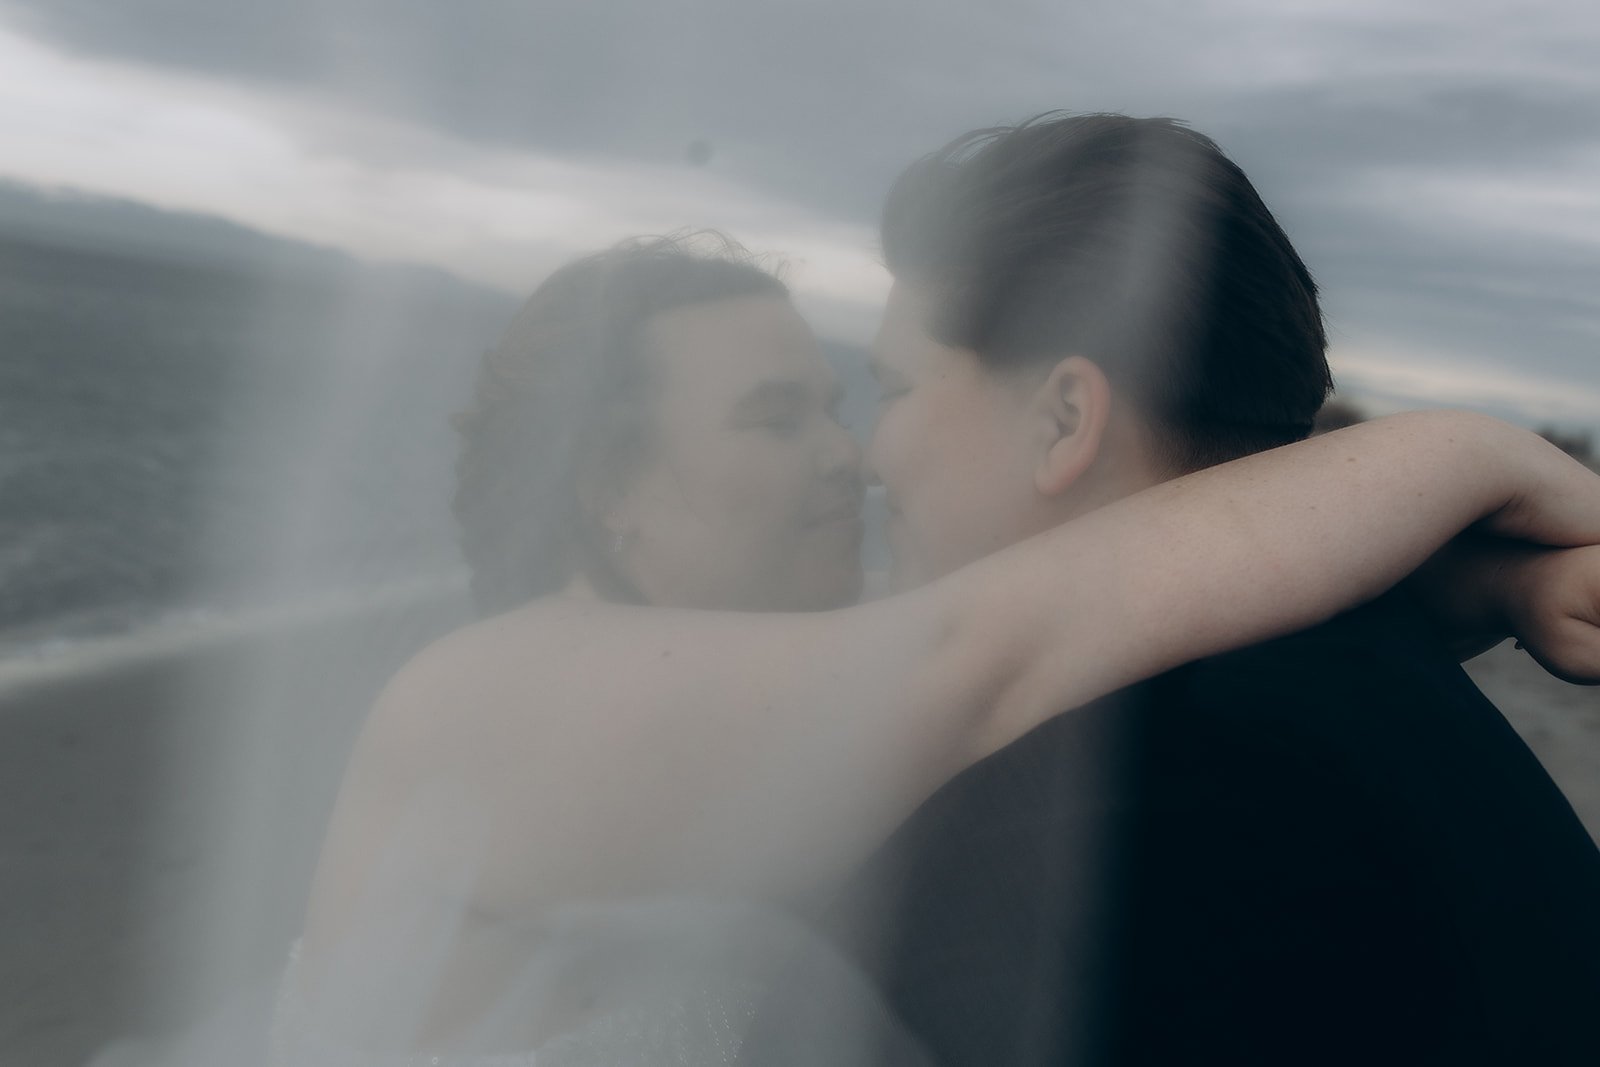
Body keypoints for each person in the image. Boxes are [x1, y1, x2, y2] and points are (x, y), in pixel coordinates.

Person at [275, 232, 1600, 1065]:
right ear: (606, 488)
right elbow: (995, 643)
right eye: (773, 415)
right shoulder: (484, 696)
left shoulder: (781, 698)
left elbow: (1079, 622)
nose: (846, 456)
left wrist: (1455, 579)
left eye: (849, 402)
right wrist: (1459, 451)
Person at [786, 114, 1600, 1066]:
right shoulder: (1361, 671)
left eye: (894, 391)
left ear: (1063, 419)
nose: (873, 460)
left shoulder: (1091, 836)